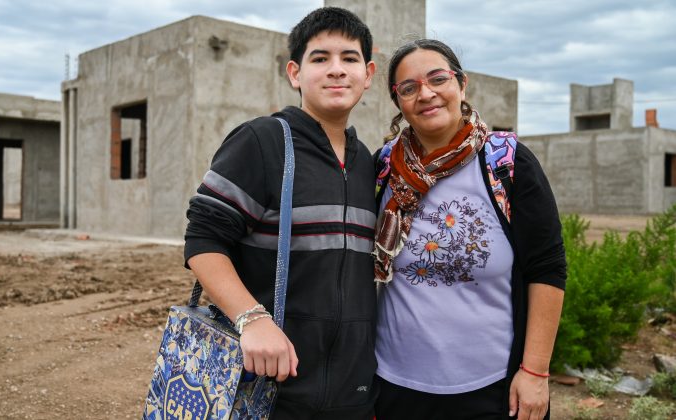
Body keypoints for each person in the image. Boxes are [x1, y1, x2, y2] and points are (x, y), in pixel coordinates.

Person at [183, 7, 378, 419]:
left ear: (369, 74)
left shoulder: (369, 166)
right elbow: (203, 240)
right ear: (295, 73)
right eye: (320, 58)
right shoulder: (264, 140)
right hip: (269, 386)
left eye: (349, 58)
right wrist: (252, 319)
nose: (336, 70)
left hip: (353, 392)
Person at [372, 39, 566, 420]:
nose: (425, 94)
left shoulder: (506, 162)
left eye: (437, 79)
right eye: (408, 88)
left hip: (491, 389)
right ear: (399, 103)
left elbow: (547, 268)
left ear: (462, 84)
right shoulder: (383, 168)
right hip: (395, 385)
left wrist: (535, 371)